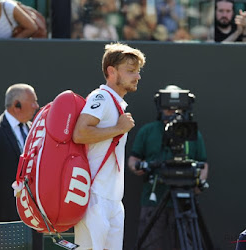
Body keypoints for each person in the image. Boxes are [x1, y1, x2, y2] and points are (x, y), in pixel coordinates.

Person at [73, 42, 146, 250]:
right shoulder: (101, 97)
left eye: (138, 71)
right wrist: (118, 128)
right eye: (131, 71)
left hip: (113, 201)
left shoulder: (117, 104)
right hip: (94, 198)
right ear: (111, 72)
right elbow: (80, 133)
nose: (137, 76)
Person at [128, 85, 209, 250]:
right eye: (168, 110)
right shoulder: (148, 131)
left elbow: (203, 162)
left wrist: (198, 183)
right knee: (150, 244)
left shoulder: (191, 132)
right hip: (154, 198)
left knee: (188, 243)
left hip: (185, 200)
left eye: (177, 110)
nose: (172, 113)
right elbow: (133, 159)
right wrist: (139, 167)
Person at [0, 83, 43, 250]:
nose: (36, 106)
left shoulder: (35, 131)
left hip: (32, 216)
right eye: (32, 102)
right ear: (16, 105)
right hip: (3, 216)